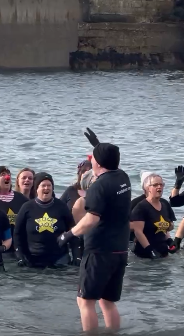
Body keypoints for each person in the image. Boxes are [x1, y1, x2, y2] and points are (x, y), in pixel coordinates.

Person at [57, 128, 131, 333]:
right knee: (107, 302)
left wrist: (68, 234)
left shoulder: (99, 186)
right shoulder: (122, 177)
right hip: (120, 249)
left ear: (97, 163)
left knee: (85, 301)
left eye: (94, 158)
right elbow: (111, 163)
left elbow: (91, 220)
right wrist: (97, 145)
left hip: (100, 251)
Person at [14, 173, 79, 268]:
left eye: (49, 185)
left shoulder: (61, 206)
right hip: (33, 258)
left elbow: (73, 231)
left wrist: (77, 256)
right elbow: (17, 234)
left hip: (59, 258)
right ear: (36, 188)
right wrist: (20, 256)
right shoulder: (27, 207)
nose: (46, 188)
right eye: (43, 185)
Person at [130, 173, 176, 259]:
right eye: (155, 185)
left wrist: (170, 242)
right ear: (148, 188)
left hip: (163, 252)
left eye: (161, 184)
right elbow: (138, 232)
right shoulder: (141, 207)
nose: (159, 187)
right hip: (144, 256)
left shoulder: (164, 205)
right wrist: (149, 250)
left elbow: (163, 228)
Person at [0, 166, 29, 251]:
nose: (7, 177)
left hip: (18, 245)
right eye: (3, 174)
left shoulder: (21, 198)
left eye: (9, 174)